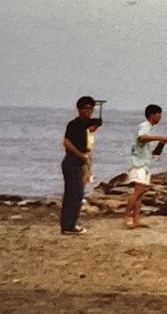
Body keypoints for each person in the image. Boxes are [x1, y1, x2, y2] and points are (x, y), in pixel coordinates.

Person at [125, 104, 167, 229]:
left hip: (146, 164)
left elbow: (154, 152)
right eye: (159, 114)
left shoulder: (151, 130)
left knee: (141, 193)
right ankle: (127, 216)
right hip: (138, 163)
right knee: (138, 191)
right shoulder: (144, 126)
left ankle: (137, 218)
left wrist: (161, 143)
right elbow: (142, 138)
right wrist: (159, 137)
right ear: (153, 115)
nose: (160, 117)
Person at [60, 95, 97, 234]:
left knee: (76, 193)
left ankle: (70, 223)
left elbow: (91, 132)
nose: (89, 111)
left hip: (80, 161)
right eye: (86, 108)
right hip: (72, 160)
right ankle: (69, 224)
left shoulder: (85, 125)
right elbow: (67, 142)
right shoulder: (74, 124)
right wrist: (81, 155)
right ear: (80, 109)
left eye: (91, 109)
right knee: (75, 193)